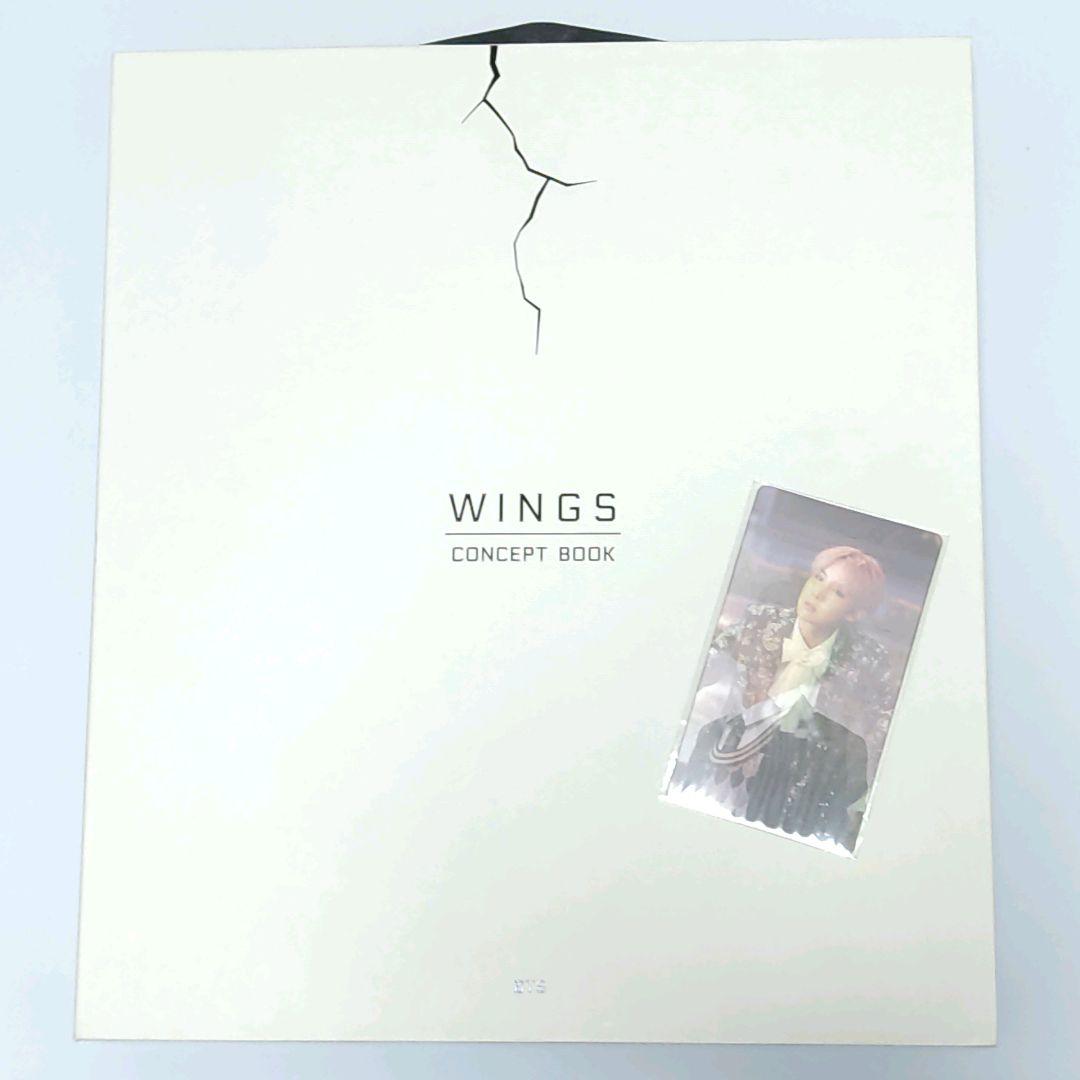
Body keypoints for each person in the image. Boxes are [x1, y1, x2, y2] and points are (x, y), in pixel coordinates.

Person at [671, 546, 895, 851]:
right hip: (723, 772)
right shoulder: (760, 621)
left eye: (838, 592)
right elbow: (701, 668)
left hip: (796, 796)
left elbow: (880, 732)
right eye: (819, 577)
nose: (817, 593)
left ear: (854, 613)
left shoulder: (867, 659)